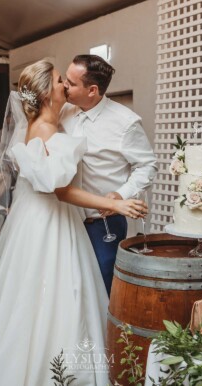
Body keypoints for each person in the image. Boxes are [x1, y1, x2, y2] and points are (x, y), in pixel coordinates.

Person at [0, 60, 147, 386]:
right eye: (61, 80)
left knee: (58, 293)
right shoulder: (46, 129)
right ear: (48, 92)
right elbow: (61, 191)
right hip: (51, 222)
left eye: (69, 80)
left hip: (51, 221)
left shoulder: (58, 119)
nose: (65, 84)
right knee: (53, 291)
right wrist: (114, 202)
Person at [60, 54, 157, 295]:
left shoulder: (125, 122)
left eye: (71, 83)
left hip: (102, 222)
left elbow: (147, 165)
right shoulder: (62, 112)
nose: (64, 86)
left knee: (103, 288)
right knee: (70, 289)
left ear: (92, 90)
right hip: (64, 219)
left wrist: (119, 195)